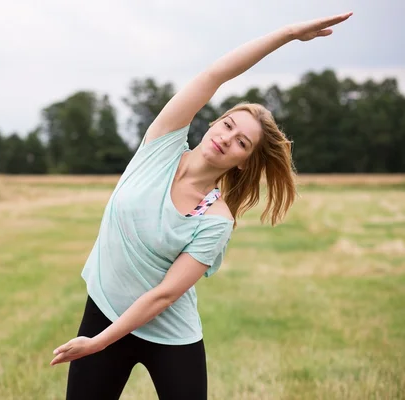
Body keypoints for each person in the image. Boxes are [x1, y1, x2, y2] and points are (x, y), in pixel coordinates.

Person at [50, 11, 353, 400]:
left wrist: (97, 344)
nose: (229, 139)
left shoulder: (215, 219)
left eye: (243, 142)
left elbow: (163, 296)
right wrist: (288, 34)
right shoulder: (160, 145)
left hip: (169, 334)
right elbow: (215, 75)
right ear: (213, 122)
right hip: (104, 309)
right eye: (228, 125)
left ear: (244, 160)